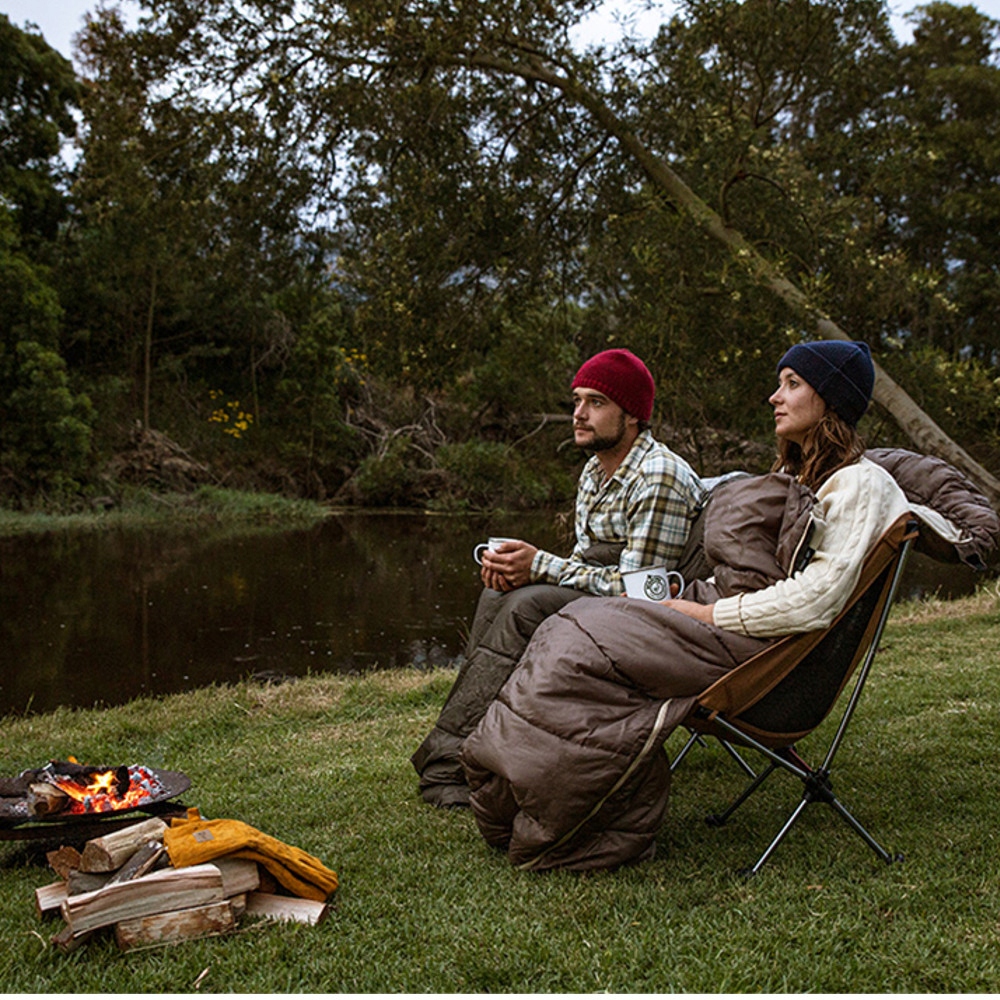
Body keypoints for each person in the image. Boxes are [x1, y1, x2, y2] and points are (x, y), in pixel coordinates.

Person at [461, 339, 914, 871]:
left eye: (793, 384)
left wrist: (704, 613)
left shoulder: (860, 484)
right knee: (570, 624)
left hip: (766, 665)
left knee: (575, 642)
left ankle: (577, 825)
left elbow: (814, 602)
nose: (775, 396)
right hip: (737, 632)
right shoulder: (807, 476)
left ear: (832, 400)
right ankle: (515, 793)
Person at [411, 348, 708, 807]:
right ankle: (477, 753)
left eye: (596, 403)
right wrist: (519, 569)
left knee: (524, 607)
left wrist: (540, 567)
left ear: (632, 416)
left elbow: (641, 592)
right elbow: (585, 561)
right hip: (608, 602)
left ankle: (452, 766)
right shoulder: (595, 469)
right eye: (576, 400)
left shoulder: (658, 477)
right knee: (500, 594)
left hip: (645, 624)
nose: (579, 414)